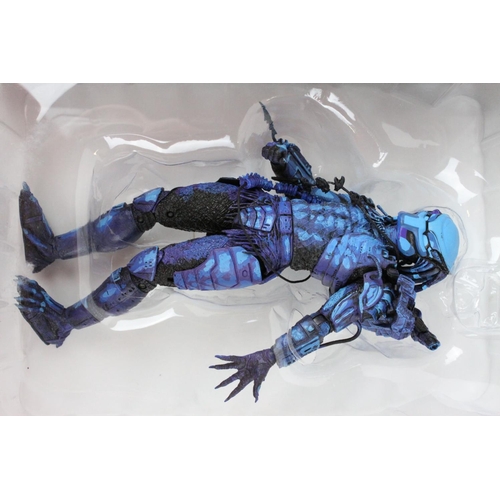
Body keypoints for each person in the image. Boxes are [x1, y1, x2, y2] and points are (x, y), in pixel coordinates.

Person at [16, 139, 461, 402]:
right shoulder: (367, 212)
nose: (413, 220)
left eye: (422, 229)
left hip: (256, 254)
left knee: (146, 268)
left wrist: (269, 357)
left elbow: (326, 321)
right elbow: (310, 192)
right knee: (151, 204)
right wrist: (286, 159)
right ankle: (51, 248)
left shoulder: (376, 281)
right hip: (254, 203)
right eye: (424, 217)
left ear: (423, 256)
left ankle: (62, 323)